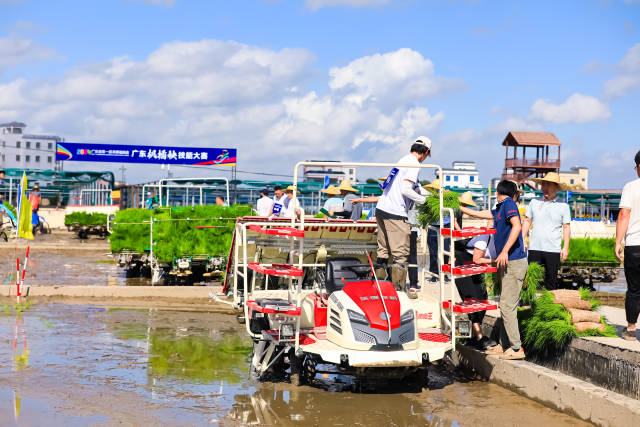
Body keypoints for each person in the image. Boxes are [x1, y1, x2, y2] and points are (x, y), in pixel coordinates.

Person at [460, 180, 527, 360]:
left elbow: (517, 225)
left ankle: (516, 348)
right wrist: (458, 207)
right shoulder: (499, 208)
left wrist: (504, 250)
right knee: (505, 305)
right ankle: (504, 345)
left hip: (513, 261)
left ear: (499, 192)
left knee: (507, 305)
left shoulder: (509, 204)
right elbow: (479, 213)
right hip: (506, 263)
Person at [375, 136, 431, 291]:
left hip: (381, 209)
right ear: (426, 152)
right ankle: (397, 292)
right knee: (400, 255)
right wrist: (425, 201)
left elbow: (414, 187)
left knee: (383, 251)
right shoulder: (414, 164)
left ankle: (379, 288)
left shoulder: (402, 160)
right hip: (395, 212)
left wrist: (432, 196)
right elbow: (406, 190)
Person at [522, 172, 571, 290]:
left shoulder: (563, 206)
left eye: (548, 185)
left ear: (556, 187)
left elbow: (566, 227)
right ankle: (526, 305)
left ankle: (549, 306)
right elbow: (527, 221)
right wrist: (522, 239)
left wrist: (565, 248)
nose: (544, 187)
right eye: (543, 184)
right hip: (534, 247)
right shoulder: (534, 202)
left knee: (551, 281)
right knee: (530, 280)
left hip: (553, 249)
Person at [616, 150, 640, 341]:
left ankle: (631, 329)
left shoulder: (631, 187)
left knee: (634, 289)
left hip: (635, 246)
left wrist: (618, 242)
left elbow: (624, 214)